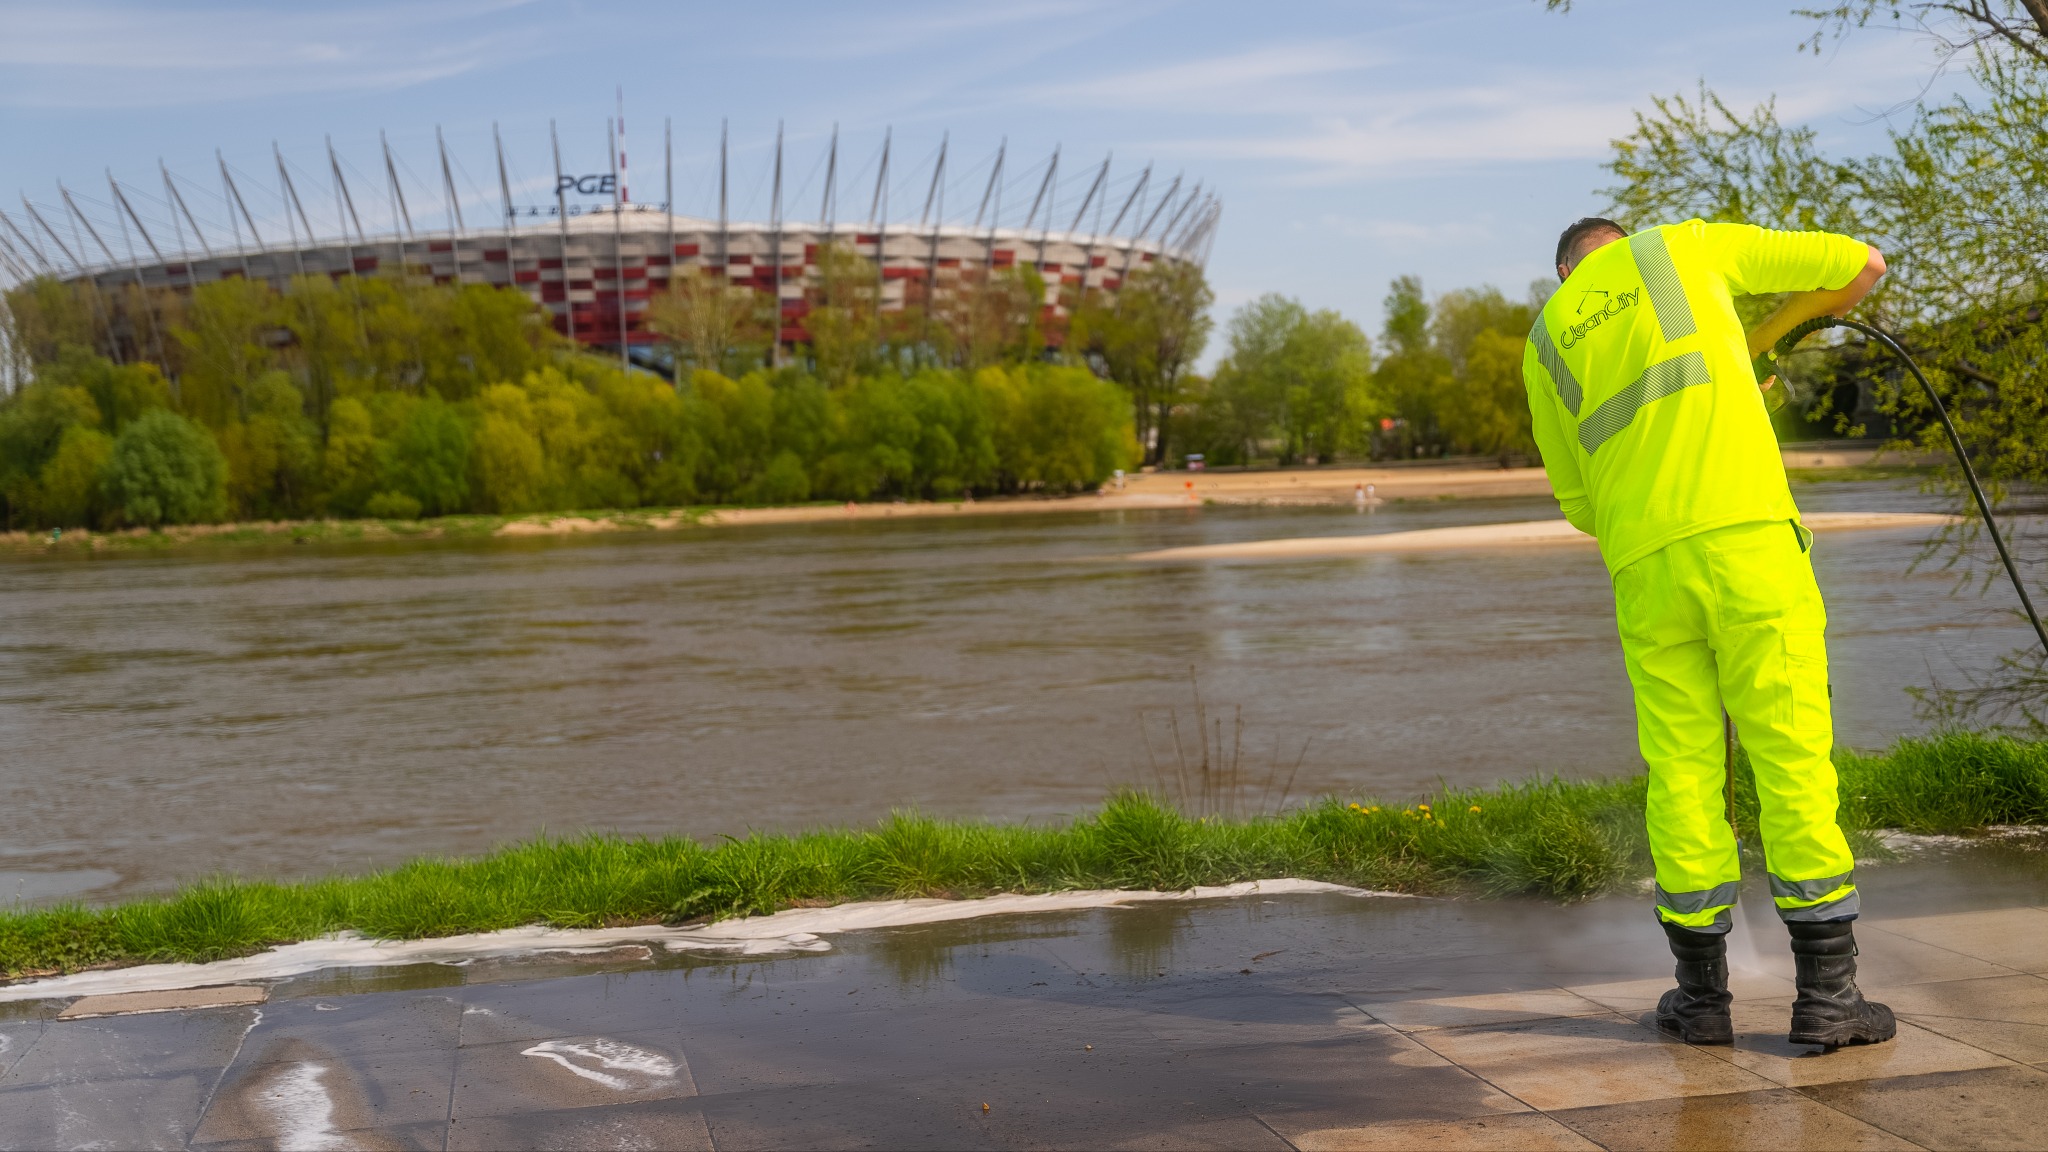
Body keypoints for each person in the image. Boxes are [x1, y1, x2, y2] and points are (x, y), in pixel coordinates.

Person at [1522, 216, 1895, 1049]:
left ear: (1565, 273)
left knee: (1682, 772)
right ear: (1624, 242)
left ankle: (1700, 1004)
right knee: (1790, 754)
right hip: (1747, 544)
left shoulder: (1545, 340)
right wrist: (1754, 344)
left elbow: (1579, 503)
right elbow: (1863, 267)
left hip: (1646, 572)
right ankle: (1829, 1000)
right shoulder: (1683, 246)